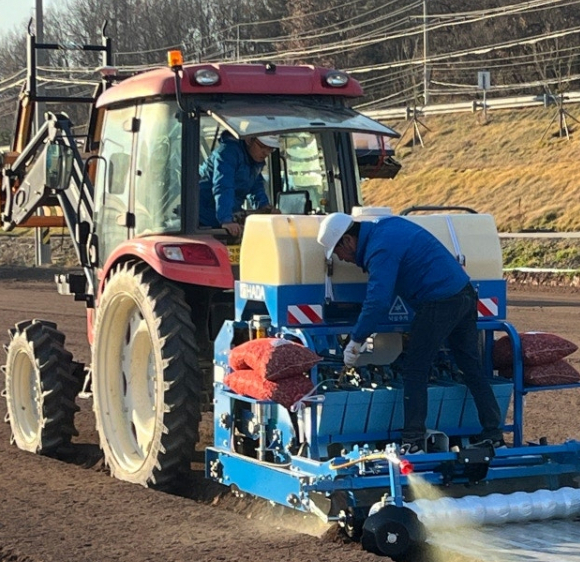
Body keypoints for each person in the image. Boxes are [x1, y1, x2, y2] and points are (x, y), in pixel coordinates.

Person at [317, 212, 504, 453]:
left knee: (415, 368)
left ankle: (413, 441)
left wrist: (356, 340)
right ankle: (493, 434)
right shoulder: (386, 226)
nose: (342, 259)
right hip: (465, 294)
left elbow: (378, 301)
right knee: (470, 366)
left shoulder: (380, 248)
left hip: (439, 301)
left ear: (348, 241)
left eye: (339, 253)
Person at [197, 132, 279, 238]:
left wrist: (265, 207)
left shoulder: (254, 160)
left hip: (226, 213)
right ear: (249, 140)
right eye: (263, 146)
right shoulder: (227, 154)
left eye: (271, 149)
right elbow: (223, 186)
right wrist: (226, 220)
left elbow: (256, 185)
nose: (266, 152)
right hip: (204, 216)